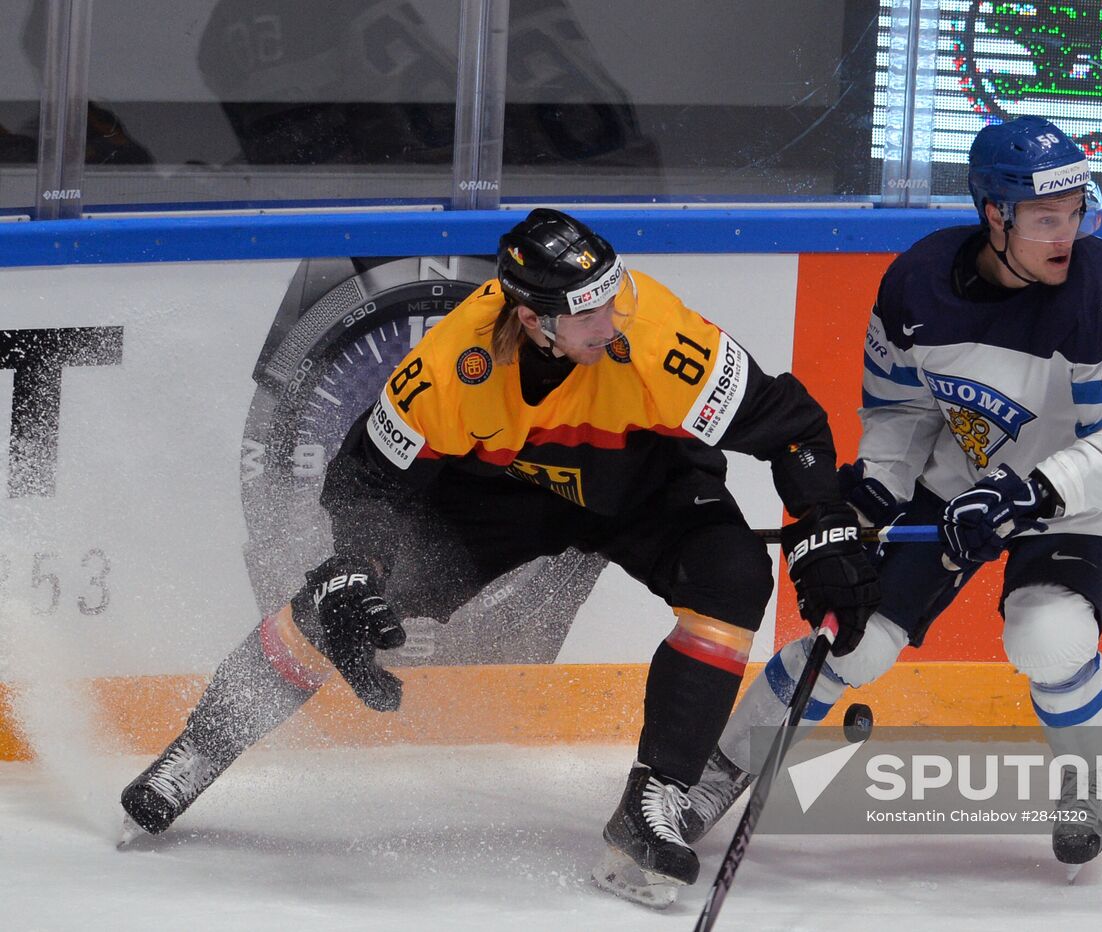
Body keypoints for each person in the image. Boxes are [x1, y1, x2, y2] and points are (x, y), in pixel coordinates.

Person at [117, 208, 880, 906]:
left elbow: (793, 426)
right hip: (502, 494)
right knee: (335, 604)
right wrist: (359, 566)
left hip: (645, 485)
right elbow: (366, 480)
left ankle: (654, 800)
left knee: (733, 579)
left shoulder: (660, 338)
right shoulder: (452, 365)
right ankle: (198, 747)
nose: (614, 320)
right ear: (532, 319)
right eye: (591, 312)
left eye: (615, 296)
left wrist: (823, 524)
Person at [679, 115, 1102, 876]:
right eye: (1046, 218)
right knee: (852, 639)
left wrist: (1034, 491)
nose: (1065, 234)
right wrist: (878, 488)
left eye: (1075, 212)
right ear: (994, 215)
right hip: (960, 485)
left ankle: (1090, 775)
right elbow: (903, 412)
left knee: (1046, 635)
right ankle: (720, 769)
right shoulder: (916, 283)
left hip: (1080, 497)